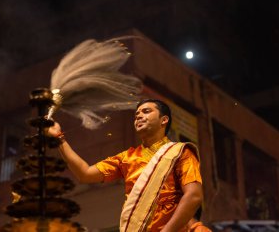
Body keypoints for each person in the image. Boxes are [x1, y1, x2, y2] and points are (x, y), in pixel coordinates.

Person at [48, 99, 203, 232]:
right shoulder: (127, 157)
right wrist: (58, 138)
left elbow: (194, 196)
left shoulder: (180, 152)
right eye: (137, 115)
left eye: (146, 111)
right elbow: (85, 174)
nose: (139, 116)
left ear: (164, 120)